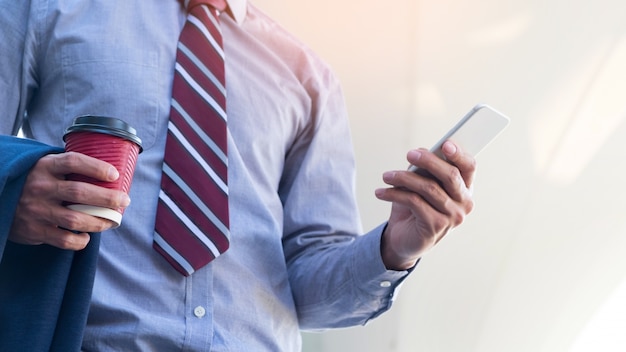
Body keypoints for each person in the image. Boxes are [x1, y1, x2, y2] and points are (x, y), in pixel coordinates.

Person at [0, 0, 475, 351]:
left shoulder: (308, 75)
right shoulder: (47, 10)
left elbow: (308, 294)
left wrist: (394, 248)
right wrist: (12, 189)